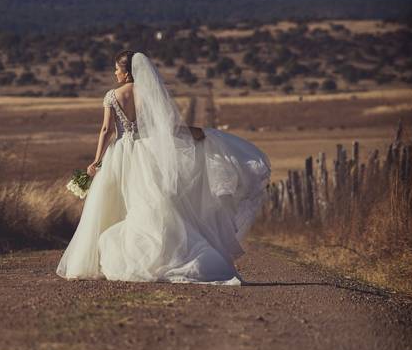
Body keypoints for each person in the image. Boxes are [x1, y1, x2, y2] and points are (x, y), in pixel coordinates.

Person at [56, 50, 271, 285]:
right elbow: (166, 126)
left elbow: (106, 131)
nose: (114, 72)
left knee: (114, 202)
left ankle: (116, 259)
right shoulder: (149, 95)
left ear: (127, 72)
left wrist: (96, 161)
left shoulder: (112, 96)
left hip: (121, 153)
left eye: (117, 68)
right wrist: (195, 134)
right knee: (151, 203)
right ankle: (160, 254)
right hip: (147, 153)